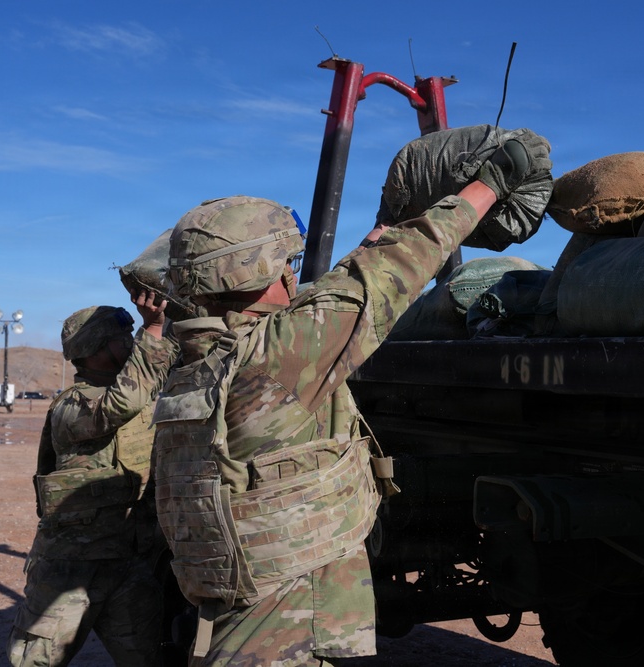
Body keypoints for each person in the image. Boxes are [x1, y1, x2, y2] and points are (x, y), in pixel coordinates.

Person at [151, 133, 552, 666]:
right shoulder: (278, 356)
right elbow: (394, 269)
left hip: (245, 600)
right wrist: (489, 186)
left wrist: (386, 222)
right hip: (284, 620)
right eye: (283, 263)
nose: (293, 274)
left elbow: (340, 285)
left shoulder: (196, 359)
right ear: (252, 272)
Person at [8, 290, 178, 667]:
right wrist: (152, 327)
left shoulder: (145, 395)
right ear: (98, 348)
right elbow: (122, 403)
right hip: (71, 566)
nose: (131, 345)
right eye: (123, 339)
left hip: (129, 563)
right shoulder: (73, 405)